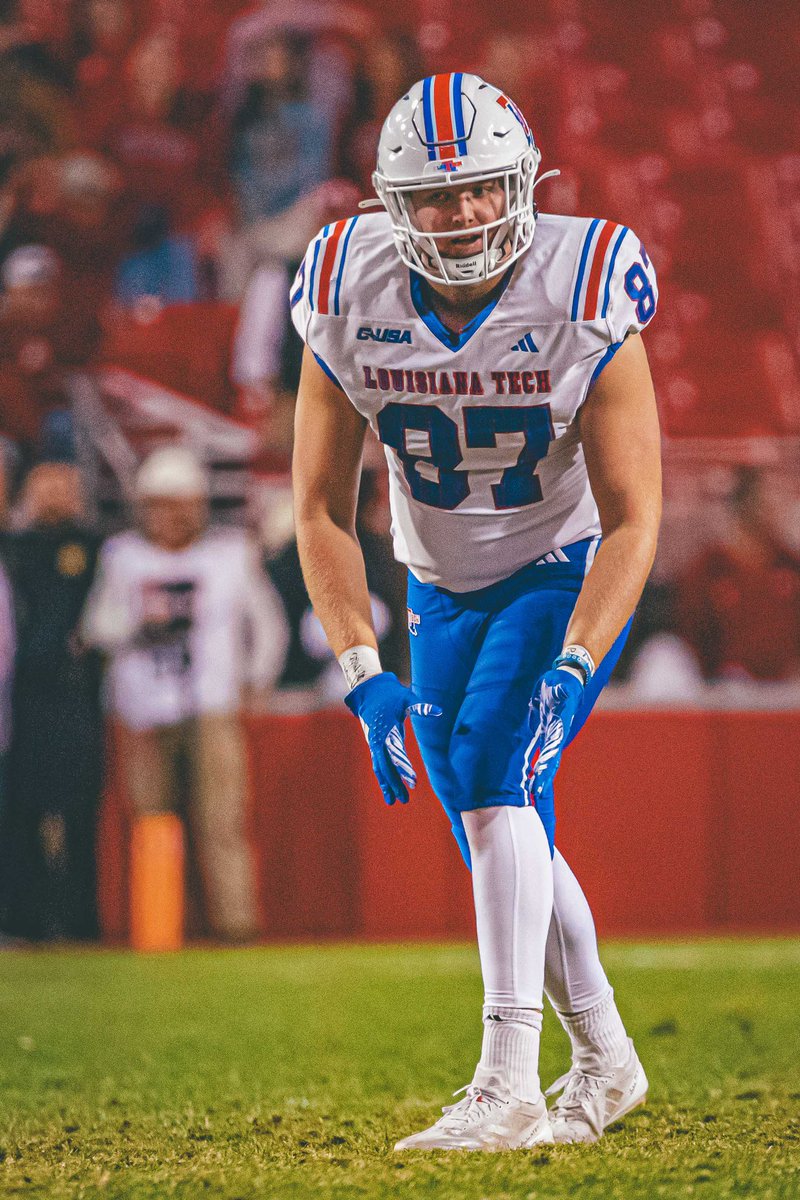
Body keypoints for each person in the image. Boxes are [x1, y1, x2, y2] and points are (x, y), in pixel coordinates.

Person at [291, 73, 661, 1150]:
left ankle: (509, 1080)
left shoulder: (582, 279)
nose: (461, 219)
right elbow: (315, 508)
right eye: (435, 199)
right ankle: (606, 1057)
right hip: (434, 579)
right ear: (386, 205)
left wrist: (577, 663)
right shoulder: (342, 286)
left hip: (557, 560)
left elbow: (637, 516)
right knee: (495, 820)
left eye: (482, 192)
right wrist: (361, 668)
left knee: (499, 772)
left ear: (524, 185)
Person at [81, 446, 289, 941]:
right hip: (143, 708)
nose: (172, 515)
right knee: (152, 822)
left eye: (181, 503)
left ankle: (236, 924)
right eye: (161, 504)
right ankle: (157, 924)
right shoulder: (123, 558)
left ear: (198, 505)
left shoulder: (230, 554)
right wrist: (143, 624)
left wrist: (258, 677)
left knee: (223, 820)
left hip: (213, 704)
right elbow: (97, 628)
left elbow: (269, 625)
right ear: (143, 507)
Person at [1, 461, 102, 941]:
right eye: (44, 486)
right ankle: (26, 918)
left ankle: (81, 921)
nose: (54, 495)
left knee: (78, 812)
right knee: (21, 811)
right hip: (19, 698)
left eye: (64, 485)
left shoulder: (95, 547)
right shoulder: (14, 548)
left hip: (75, 694)